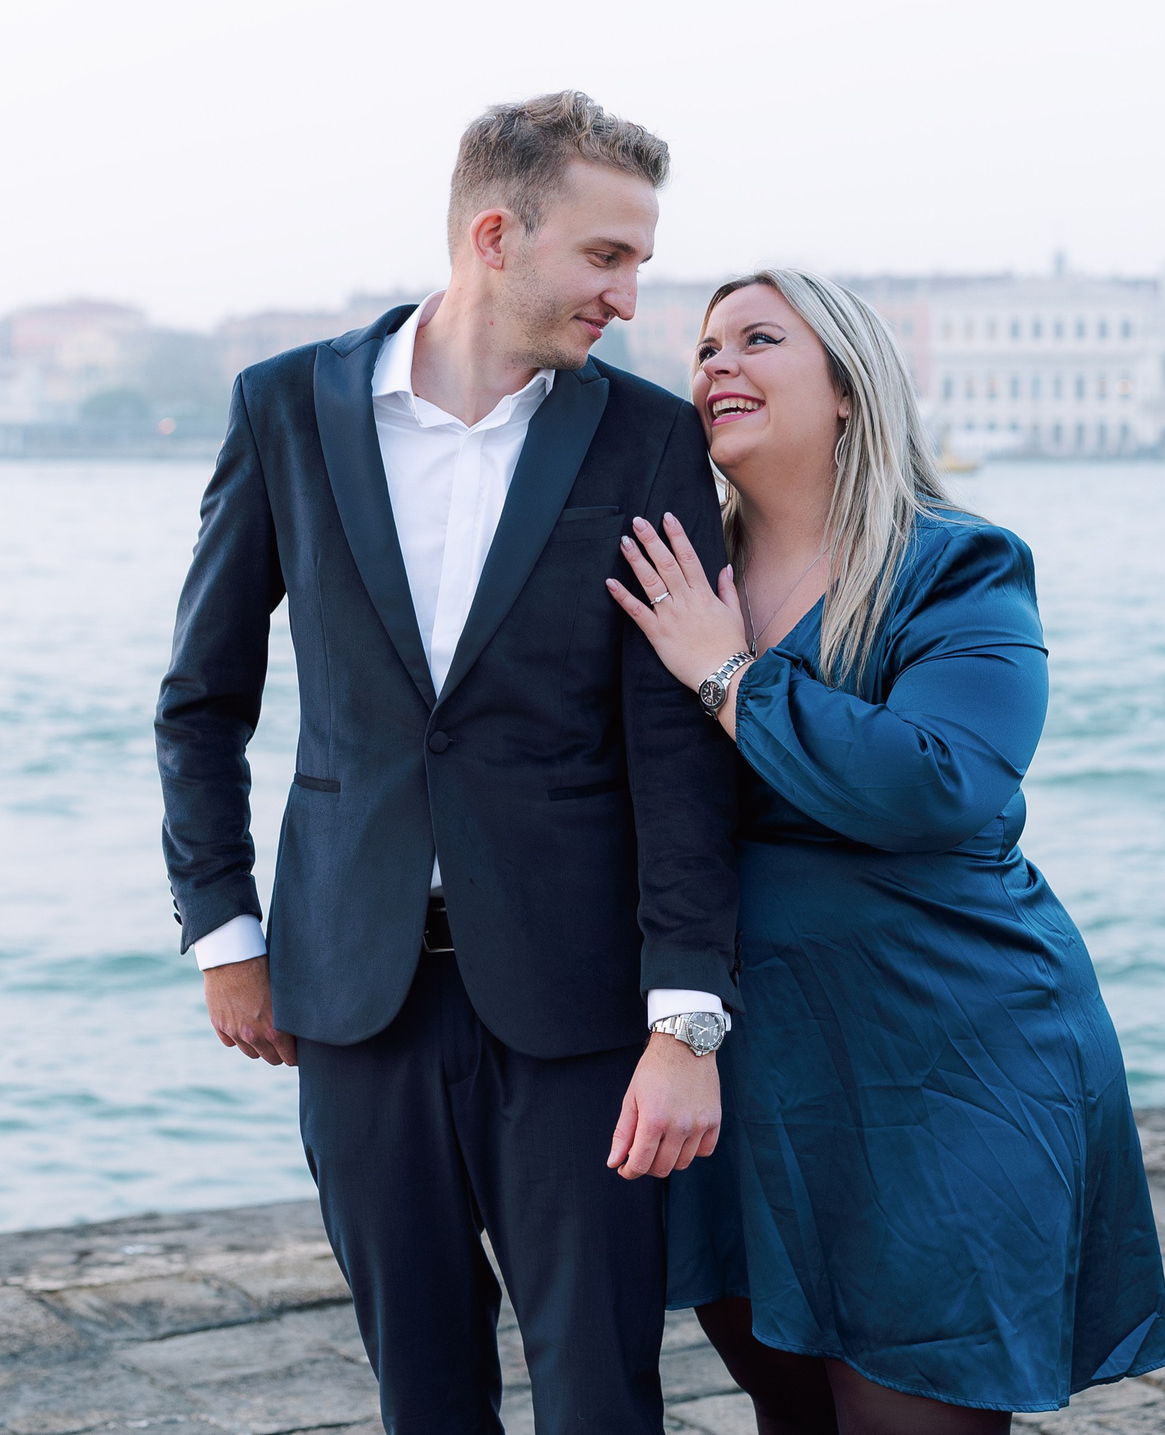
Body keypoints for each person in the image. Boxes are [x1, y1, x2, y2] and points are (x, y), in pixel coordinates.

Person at [155, 91, 743, 1434]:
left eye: (640, 260)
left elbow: (679, 756)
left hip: (581, 1007)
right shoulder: (286, 412)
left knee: (601, 1392)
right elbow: (201, 700)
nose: (630, 295)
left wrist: (686, 1017)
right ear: (497, 233)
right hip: (351, 995)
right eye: (607, 257)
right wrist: (224, 932)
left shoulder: (647, 438)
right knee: (422, 1388)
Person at [607, 270, 1165, 1432]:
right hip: (756, 1072)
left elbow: (939, 779)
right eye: (705, 345)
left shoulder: (954, 564)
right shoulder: (680, 578)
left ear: (852, 388)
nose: (716, 364)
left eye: (758, 338)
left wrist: (731, 679)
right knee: (793, 1413)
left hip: (948, 1061)